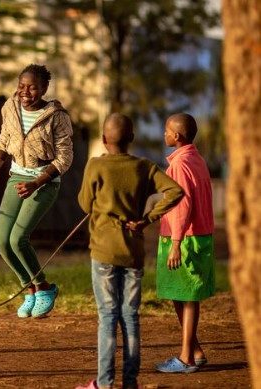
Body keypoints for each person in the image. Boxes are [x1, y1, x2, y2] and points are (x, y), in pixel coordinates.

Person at [75, 114, 184, 389]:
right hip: (133, 252)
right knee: (130, 316)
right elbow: (175, 191)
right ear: (132, 139)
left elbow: (85, 204)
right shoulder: (144, 166)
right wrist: (148, 219)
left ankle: (104, 383)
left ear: (103, 139)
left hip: (103, 252)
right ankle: (130, 382)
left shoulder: (96, 165)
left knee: (108, 316)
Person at [0, 64, 73, 318]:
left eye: (32, 87)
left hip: (44, 183)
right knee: (2, 241)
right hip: (16, 177)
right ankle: (30, 289)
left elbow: (65, 158)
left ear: (43, 89)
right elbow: (2, 143)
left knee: (17, 239)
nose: (25, 91)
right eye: (22, 86)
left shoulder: (57, 116)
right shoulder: (9, 108)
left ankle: (44, 287)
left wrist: (37, 182)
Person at [153, 113, 215, 374]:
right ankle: (195, 351)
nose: (164, 134)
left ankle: (186, 359)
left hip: (184, 237)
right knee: (181, 295)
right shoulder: (196, 158)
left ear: (176, 136)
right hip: (199, 236)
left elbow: (182, 204)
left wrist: (176, 242)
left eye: (167, 130)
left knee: (187, 297)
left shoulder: (179, 165)